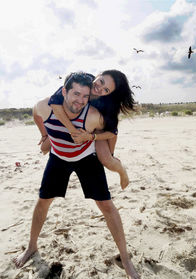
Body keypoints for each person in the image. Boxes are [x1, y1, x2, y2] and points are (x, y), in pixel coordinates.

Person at [13, 73, 140, 279]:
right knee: (43, 201)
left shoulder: (93, 115)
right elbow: (35, 113)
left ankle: (125, 258)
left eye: (85, 96)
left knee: (106, 205)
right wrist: (44, 135)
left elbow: (112, 131)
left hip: (86, 158)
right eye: (76, 94)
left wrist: (94, 139)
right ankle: (31, 247)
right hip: (58, 158)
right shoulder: (46, 106)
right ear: (64, 91)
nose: (80, 100)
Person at [42, 70, 137, 189]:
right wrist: (69, 131)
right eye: (101, 81)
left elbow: (113, 132)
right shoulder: (81, 82)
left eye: (106, 90)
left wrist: (108, 152)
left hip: (98, 129)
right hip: (73, 123)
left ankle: (122, 172)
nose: (99, 88)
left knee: (106, 160)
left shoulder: (108, 104)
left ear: (109, 93)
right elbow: (54, 103)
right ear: (97, 75)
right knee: (43, 148)